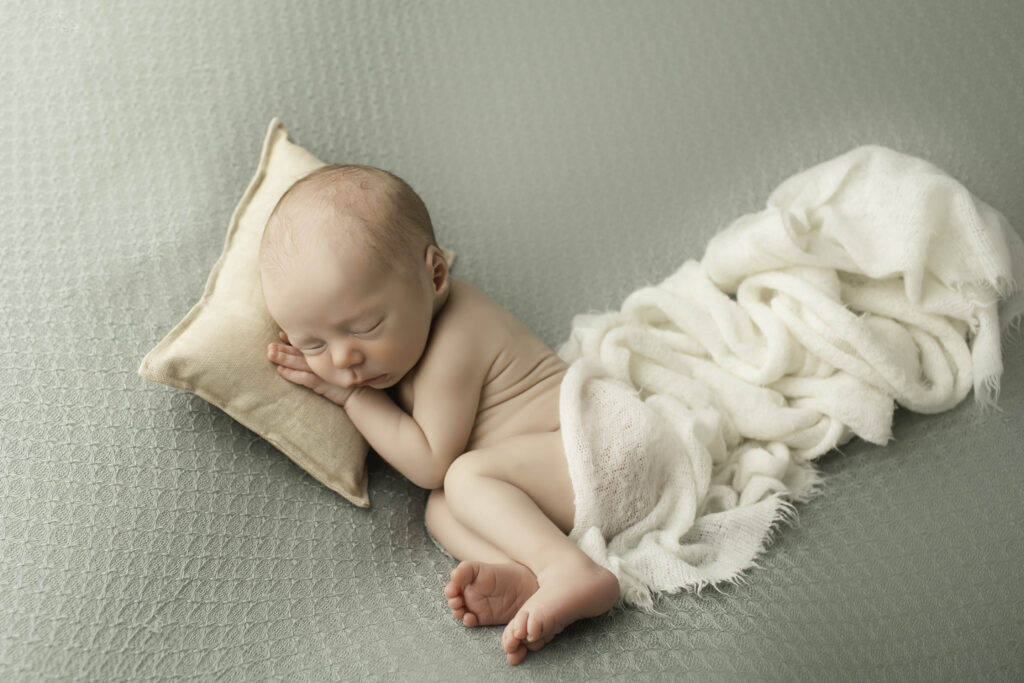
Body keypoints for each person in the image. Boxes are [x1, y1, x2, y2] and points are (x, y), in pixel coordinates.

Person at [258, 164, 619, 665]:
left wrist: (350, 399)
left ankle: (570, 570)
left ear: (434, 276)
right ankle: (530, 574)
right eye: (313, 343)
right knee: (442, 506)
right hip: (553, 476)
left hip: (599, 454)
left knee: (459, 476)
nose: (342, 360)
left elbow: (429, 460)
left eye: (365, 326)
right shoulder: (403, 338)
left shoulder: (455, 339)